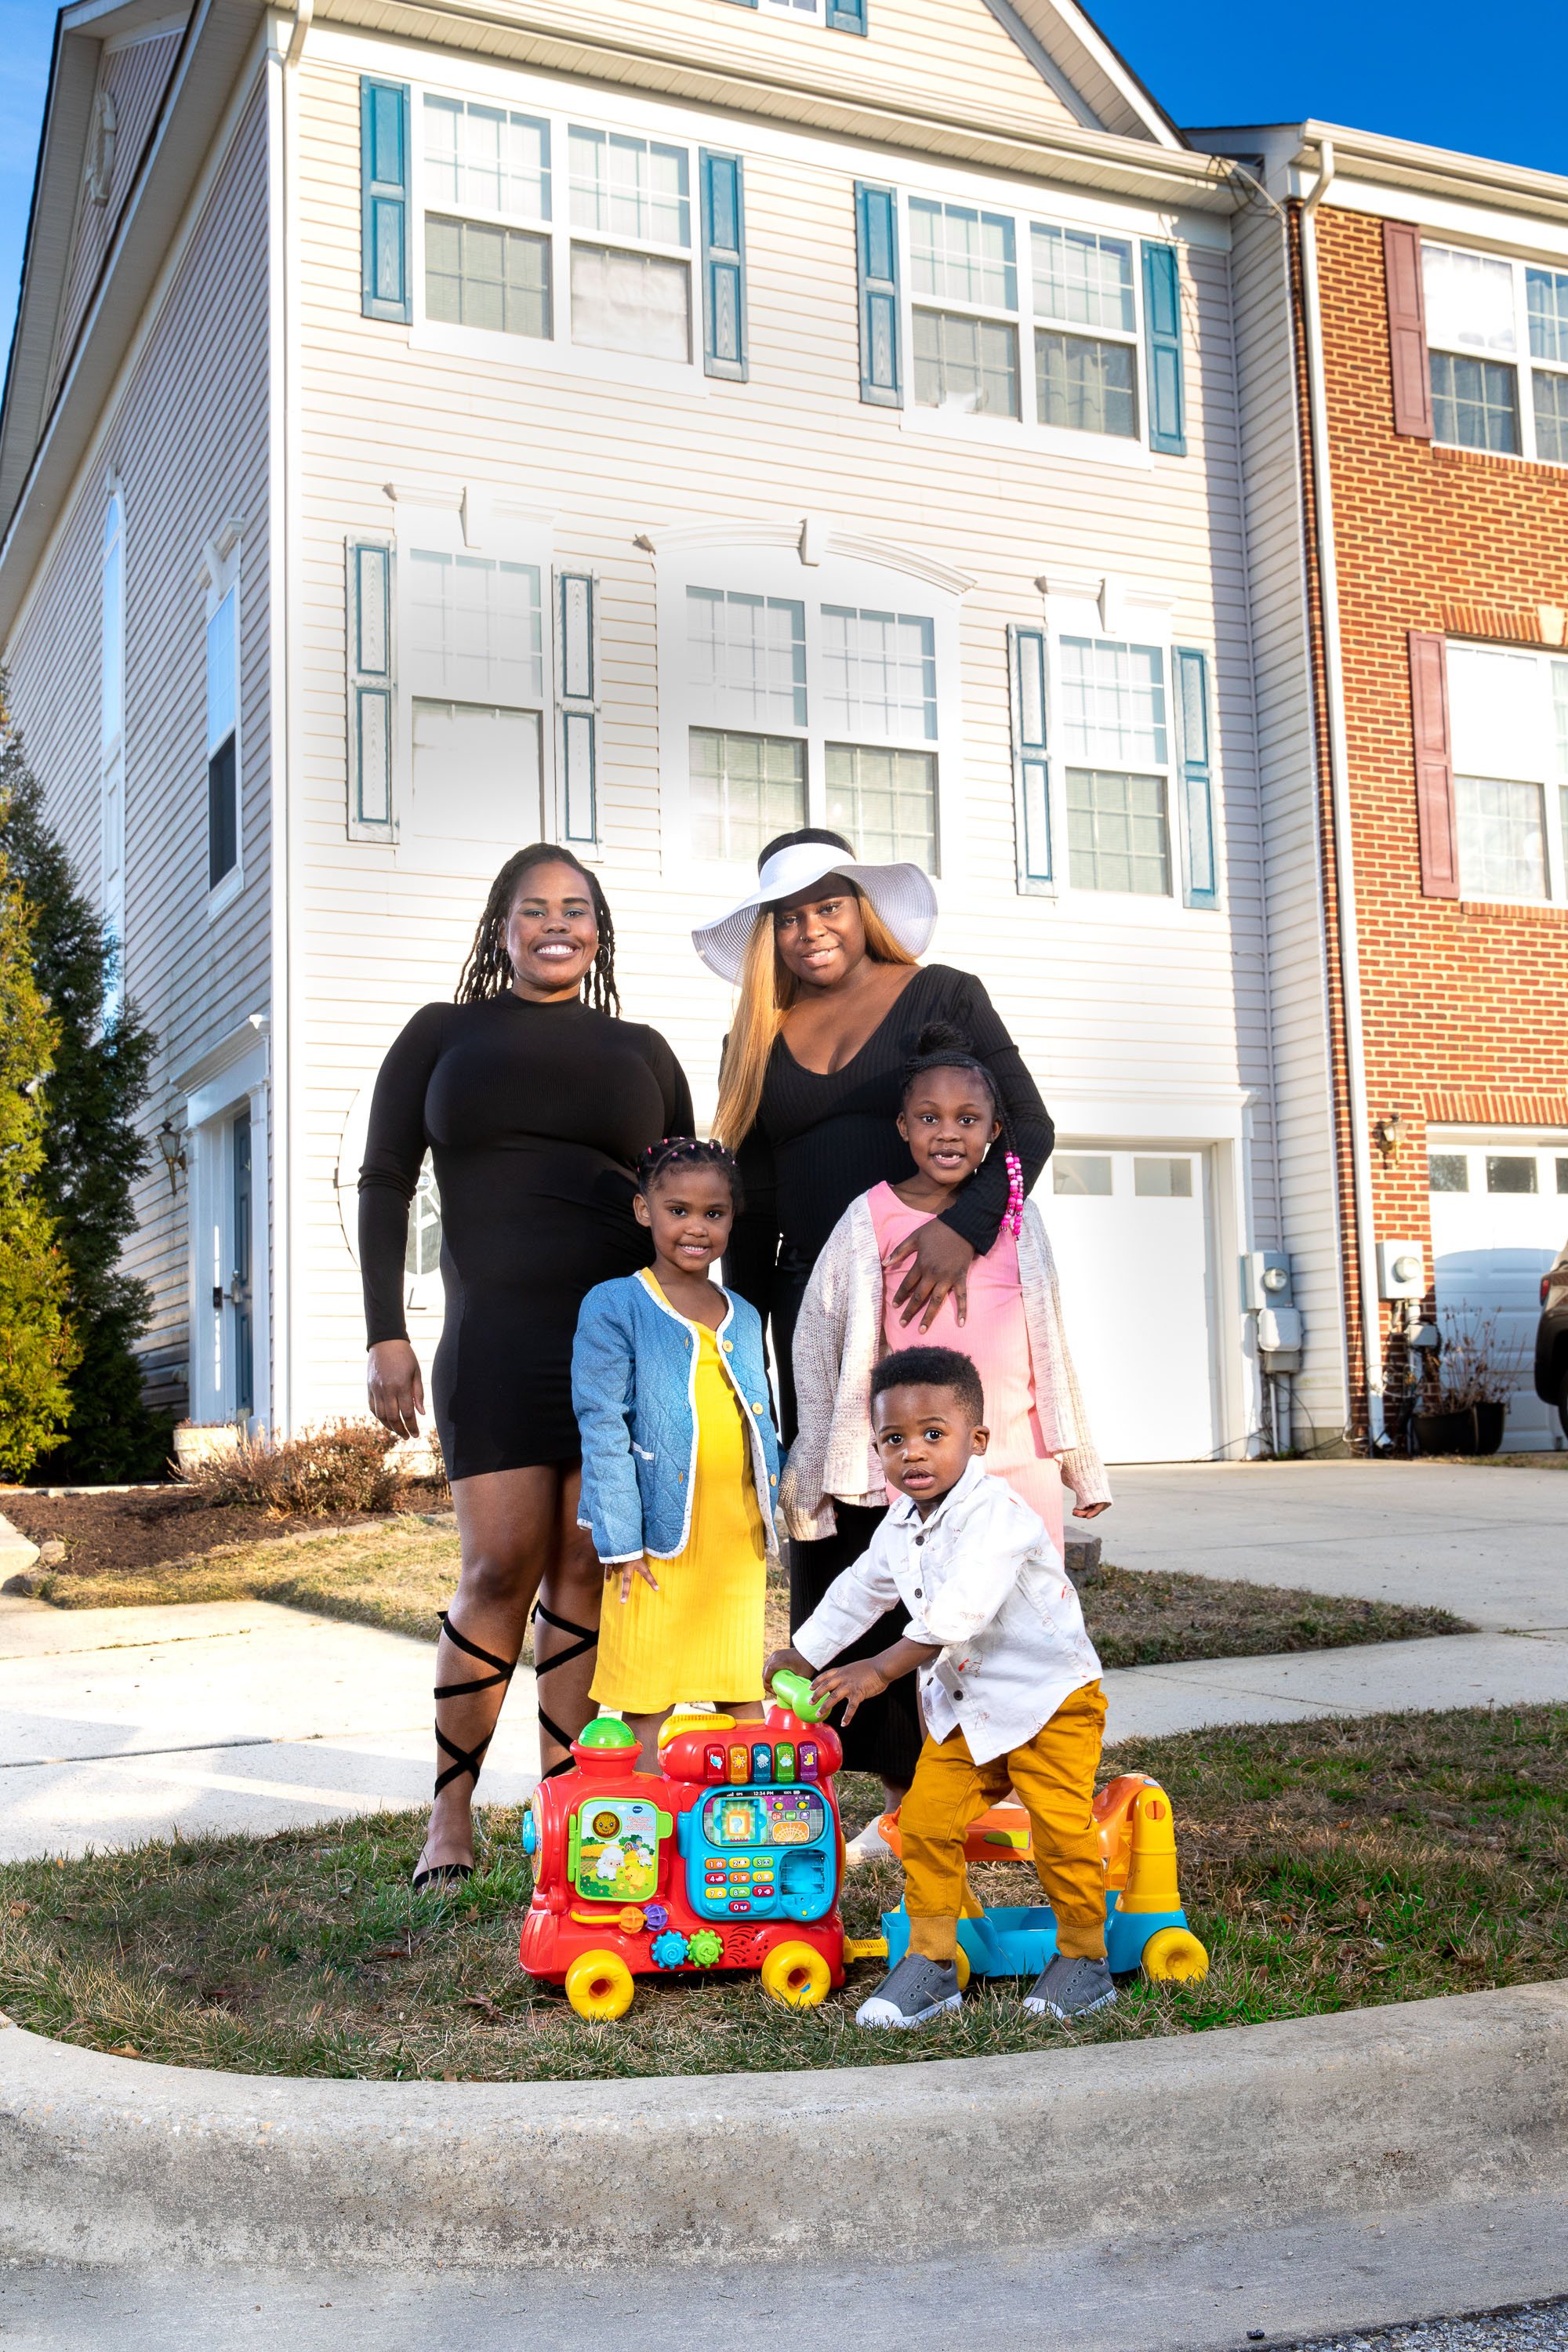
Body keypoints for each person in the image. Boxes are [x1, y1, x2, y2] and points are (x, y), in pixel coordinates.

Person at [694, 829, 1054, 1834]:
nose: (812, 928)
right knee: (845, 1525)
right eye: (790, 914)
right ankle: (896, 1790)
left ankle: (982, 1773)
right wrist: (757, 1325)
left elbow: (1026, 1128)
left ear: (864, 908)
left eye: (829, 904)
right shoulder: (755, 1036)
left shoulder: (942, 994)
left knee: (944, 1515)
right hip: (816, 1310)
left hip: (939, 1291)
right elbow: (754, 1192)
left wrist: (960, 1228)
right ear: (771, 933)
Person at [359, 844, 694, 1889]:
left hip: (621, 1346)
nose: (558, 925)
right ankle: (450, 1819)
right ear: (499, 926)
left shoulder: (642, 1050)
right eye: (534, 908)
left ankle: (572, 1813)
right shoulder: (442, 1035)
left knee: (591, 1570)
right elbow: (383, 1181)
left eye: (578, 910)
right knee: (499, 1565)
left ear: (600, 930)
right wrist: (385, 1331)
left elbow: (690, 1202)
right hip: (495, 1343)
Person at [766, 1345, 1113, 2031]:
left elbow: (961, 1612)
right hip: (970, 1714)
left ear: (976, 1441)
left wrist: (879, 1669)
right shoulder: (901, 1523)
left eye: (934, 1434)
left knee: (1060, 1828)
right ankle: (933, 1960)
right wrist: (801, 1652)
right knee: (924, 1822)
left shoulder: (1000, 1517)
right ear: (877, 1451)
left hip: (1050, 1704)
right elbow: (860, 1591)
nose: (913, 1454)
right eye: (895, 1440)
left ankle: (1085, 1957)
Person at [782, 1020, 1111, 1575]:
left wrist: (1080, 1466)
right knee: (940, 1619)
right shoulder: (871, 1218)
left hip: (1020, 1454)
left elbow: (1052, 1349)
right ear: (903, 1126)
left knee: (1033, 1615)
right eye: (929, 1118)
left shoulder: (1019, 1217)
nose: (948, 1133)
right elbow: (817, 1344)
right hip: (924, 1461)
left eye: (968, 1119)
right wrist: (815, 1471)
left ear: (995, 1130)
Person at [572, 1138, 782, 1772]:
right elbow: (602, 1423)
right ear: (645, 1210)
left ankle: (746, 1826)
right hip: (655, 1540)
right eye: (678, 1210)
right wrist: (621, 1541)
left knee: (741, 1691)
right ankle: (645, 1834)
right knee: (647, 1695)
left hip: (733, 1536)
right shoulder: (615, 1305)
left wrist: (779, 1510)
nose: (697, 1227)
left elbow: (761, 1422)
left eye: (714, 1214)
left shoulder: (743, 1313)